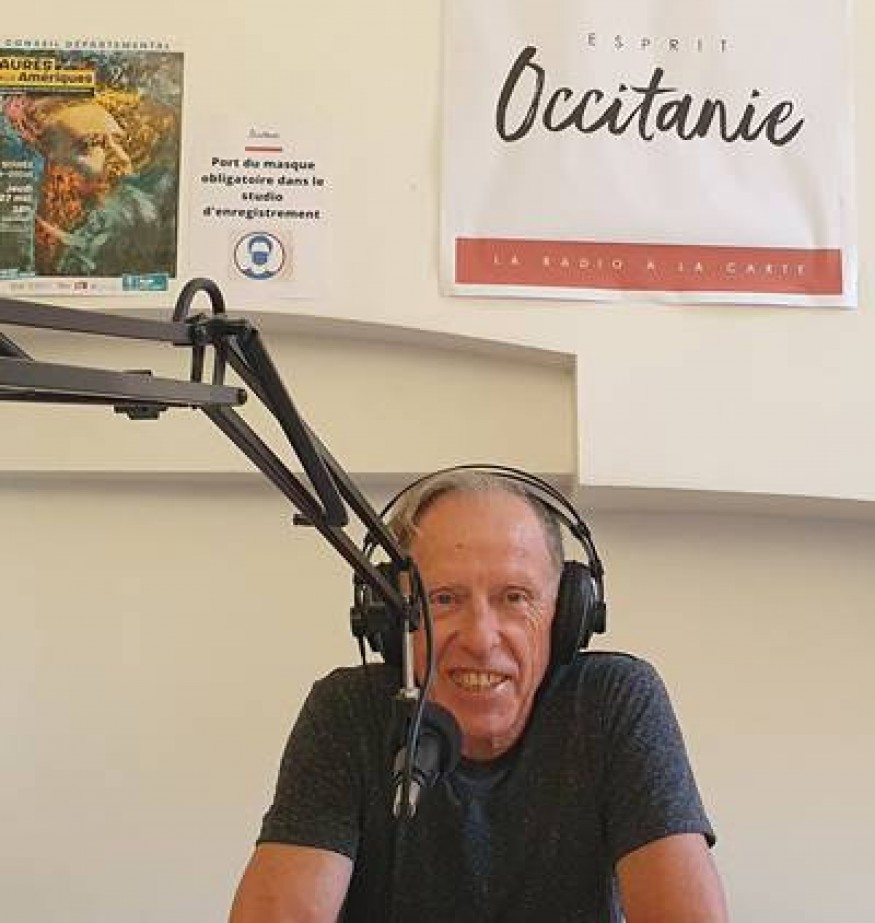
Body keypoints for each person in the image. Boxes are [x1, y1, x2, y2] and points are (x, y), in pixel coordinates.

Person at [230, 468, 728, 922]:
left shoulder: (612, 704)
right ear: (393, 616)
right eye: (445, 599)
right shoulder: (348, 712)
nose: (481, 639)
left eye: (514, 598)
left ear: (567, 614)